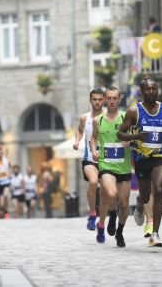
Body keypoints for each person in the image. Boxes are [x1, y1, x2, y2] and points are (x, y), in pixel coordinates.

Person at [118, 77, 162, 247]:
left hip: (160, 156)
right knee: (145, 195)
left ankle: (155, 234)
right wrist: (136, 136)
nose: (152, 92)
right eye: (148, 89)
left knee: (158, 189)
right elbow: (120, 134)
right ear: (141, 92)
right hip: (141, 158)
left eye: (154, 89)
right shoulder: (133, 111)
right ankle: (140, 204)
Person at [90, 86, 131, 247]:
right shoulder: (97, 120)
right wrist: (94, 150)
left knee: (125, 204)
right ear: (105, 100)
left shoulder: (125, 118)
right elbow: (93, 138)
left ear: (119, 99)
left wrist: (129, 141)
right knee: (111, 194)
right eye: (109, 98)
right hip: (106, 164)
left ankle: (119, 232)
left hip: (124, 166)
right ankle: (112, 214)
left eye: (115, 98)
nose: (112, 101)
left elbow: (132, 137)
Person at [73, 88, 105, 230]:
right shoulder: (84, 118)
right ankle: (92, 214)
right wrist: (77, 141)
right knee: (93, 181)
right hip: (89, 158)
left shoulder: (108, 117)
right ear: (90, 100)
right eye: (94, 99)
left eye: (99, 99)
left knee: (106, 190)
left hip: (106, 159)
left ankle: (105, 218)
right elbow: (80, 129)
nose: (97, 102)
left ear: (103, 100)